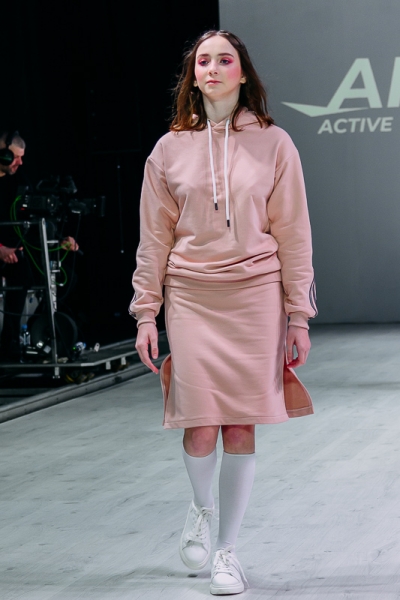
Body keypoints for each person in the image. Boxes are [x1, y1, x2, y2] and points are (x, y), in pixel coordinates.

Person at [130, 30, 317, 595]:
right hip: (191, 293)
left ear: (242, 72)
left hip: (256, 293)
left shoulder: (275, 143)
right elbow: (153, 239)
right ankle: (201, 508)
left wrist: (298, 314)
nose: (212, 68)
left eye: (224, 59)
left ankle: (227, 552)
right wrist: (146, 311)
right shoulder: (167, 150)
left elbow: (294, 232)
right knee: (200, 421)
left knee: (239, 421)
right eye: (202, 60)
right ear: (193, 76)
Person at [0, 130, 79, 360]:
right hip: (3, 252)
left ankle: (22, 339)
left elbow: (36, 215)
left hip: (14, 253)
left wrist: (60, 240)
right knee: (21, 275)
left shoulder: (20, 181)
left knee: (60, 277)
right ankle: (9, 344)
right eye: (15, 157)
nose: (20, 162)